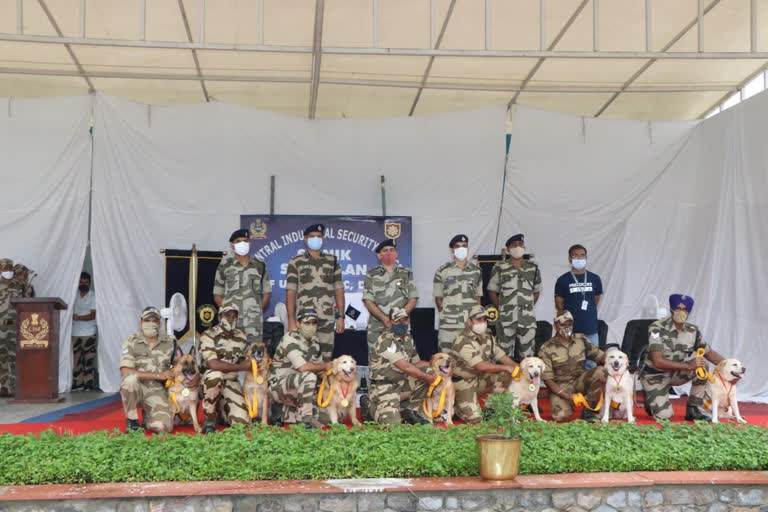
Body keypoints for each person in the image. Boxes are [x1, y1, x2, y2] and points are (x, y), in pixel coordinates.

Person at [640, 294, 724, 422]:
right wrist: (689, 365)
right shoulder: (657, 327)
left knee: (702, 365)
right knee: (665, 416)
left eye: (684, 309)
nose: (681, 311)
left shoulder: (693, 331)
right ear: (672, 309)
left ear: (689, 311)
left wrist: (728, 366)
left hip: (675, 373)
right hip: (655, 375)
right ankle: (650, 398)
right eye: (678, 308)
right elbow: (657, 361)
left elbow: (709, 353)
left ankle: (693, 408)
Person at [364, 308, 435, 425]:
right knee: (393, 425)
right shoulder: (386, 340)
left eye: (405, 320)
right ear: (391, 322)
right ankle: (369, 407)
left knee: (428, 371)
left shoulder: (408, 339)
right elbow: (405, 366)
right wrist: (428, 378)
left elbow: (416, 364)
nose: (402, 324)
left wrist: (437, 367)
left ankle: (411, 412)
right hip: (385, 386)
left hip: (402, 383)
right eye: (398, 321)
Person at [285, 224, 345, 361]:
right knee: (304, 356)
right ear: (305, 239)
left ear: (323, 239)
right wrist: (291, 320)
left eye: (319, 237)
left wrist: (341, 317)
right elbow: (290, 291)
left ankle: (323, 382)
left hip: (326, 318)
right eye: (312, 237)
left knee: (325, 357)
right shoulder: (296, 262)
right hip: (304, 319)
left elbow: (339, 289)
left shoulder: (333, 261)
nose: (316, 239)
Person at [452, 305, 519, 424]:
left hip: (479, 379)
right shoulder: (462, 340)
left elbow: (502, 356)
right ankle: (457, 406)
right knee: (475, 419)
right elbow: (480, 366)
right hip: (462, 383)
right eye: (478, 319)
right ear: (469, 321)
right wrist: (507, 367)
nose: (482, 323)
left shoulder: (487, 337)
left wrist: (519, 368)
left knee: (505, 374)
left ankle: (492, 408)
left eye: (484, 320)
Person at [539, 310, 607, 422]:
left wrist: (619, 362)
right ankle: (568, 404)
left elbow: (600, 356)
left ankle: (588, 409)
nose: (566, 327)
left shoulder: (581, 340)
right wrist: (567, 396)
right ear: (555, 325)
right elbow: (548, 380)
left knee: (602, 372)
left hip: (580, 380)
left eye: (569, 324)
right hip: (561, 386)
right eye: (562, 324)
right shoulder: (547, 348)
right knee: (561, 416)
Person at [269, 308, 330, 428]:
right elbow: (303, 368)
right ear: (298, 324)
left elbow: (321, 371)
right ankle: (304, 421)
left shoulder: (314, 342)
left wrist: (331, 379)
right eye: (307, 323)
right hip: (279, 387)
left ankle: (285, 413)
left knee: (325, 420)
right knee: (309, 376)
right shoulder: (290, 339)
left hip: (301, 388)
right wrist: (327, 365)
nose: (311, 326)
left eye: (313, 323)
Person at [119, 307, 177, 432]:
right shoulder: (132, 341)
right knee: (129, 380)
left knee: (163, 427)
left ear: (160, 324)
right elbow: (125, 371)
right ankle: (132, 421)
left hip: (157, 391)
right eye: (147, 320)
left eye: (154, 320)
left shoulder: (170, 343)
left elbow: (178, 368)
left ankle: (148, 419)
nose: (151, 324)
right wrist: (158, 375)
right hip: (137, 388)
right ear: (140, 323)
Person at [487, 234, 542, 358]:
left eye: (520, 244)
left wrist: (527, 307)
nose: (518, 247)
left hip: (527, 319)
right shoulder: (500, 267)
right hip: (506, 319)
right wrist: (501, 308)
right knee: (503, 355)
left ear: (524, 247)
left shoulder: (533, 268)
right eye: (514, 245)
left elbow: (536, 291)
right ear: (508, 249)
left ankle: (527, 378)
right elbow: (492, 290)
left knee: (528, 357)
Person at [199, 303, 251, 433]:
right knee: (216, 375)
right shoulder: (208, 335)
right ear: (219, 317)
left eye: (234, 316)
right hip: (208, 382)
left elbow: (246, 359)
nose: (231, 318)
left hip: (230, 382)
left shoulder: (242, 337)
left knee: (242, 424)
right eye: (228, 315)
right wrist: (243, 367)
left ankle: (222, 413)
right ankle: (209, 419)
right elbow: (213, 364)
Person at [213, 229, 272, 341]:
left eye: (245, 241)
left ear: (250, 244)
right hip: (230, 321)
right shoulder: (224, 265)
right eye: (238, 241)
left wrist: (257, 311)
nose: (242, 244)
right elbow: (217, 295)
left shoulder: (260, 265)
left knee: (253, 354)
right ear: (232, 246)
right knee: (230, 353)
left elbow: (267, 293)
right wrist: (228, 313)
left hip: (253, 322)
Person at [362, 239, 418, 354]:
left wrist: (399, 317)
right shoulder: (371, 274)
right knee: (376, 363)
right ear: (379, 255)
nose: (389, 253)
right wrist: (385, 319)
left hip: (401, 327)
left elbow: (413, 298)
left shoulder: (406, 273)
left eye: (392, 250)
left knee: (404, 360)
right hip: (378, 327)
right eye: (385, 250)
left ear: (396, 254)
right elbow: (367, 300)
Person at [433, 234, 482, 354]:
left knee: (471, 358)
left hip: (470, 324)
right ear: (452, 250)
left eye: (464, 246)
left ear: (468, 248)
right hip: (449, 325)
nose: (461, 248)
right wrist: (449, 314)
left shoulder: (476, 271)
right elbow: (438, 299)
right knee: (446, 358)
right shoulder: (442, 271)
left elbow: (478, 298)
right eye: (458, 246)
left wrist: (476, 319)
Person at [555, 244, 603, 363]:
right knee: (571, 363)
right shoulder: (563, 280)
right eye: (575, 256)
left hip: (590, 328)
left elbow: (595, 299)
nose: (579, 258)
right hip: (570, 329)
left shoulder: (595, 278)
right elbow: (559, 304)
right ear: (570, 259)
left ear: (586, 258)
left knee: (591, 363)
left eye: (582, 255)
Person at [0, 258, 23, 397]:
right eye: (5, 268)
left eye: (10, 268)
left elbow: (27, 304)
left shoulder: (19, 286)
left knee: (14, 357)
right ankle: (3, 387)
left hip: (14, 326)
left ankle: (14, 387)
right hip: (0, 326)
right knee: (1, 358)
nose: (8, 271)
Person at [72, 271, 98, 390]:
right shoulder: (73, 294)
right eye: (81, 282)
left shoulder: (93, 296)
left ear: (90, 283)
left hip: (89, 332)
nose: (83, 284)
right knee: (76, 359)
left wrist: (78, 318)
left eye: (86, 282)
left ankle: (88, 383)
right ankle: (78, 383)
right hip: (75, 332)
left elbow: (93, 315)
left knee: (88, 359)